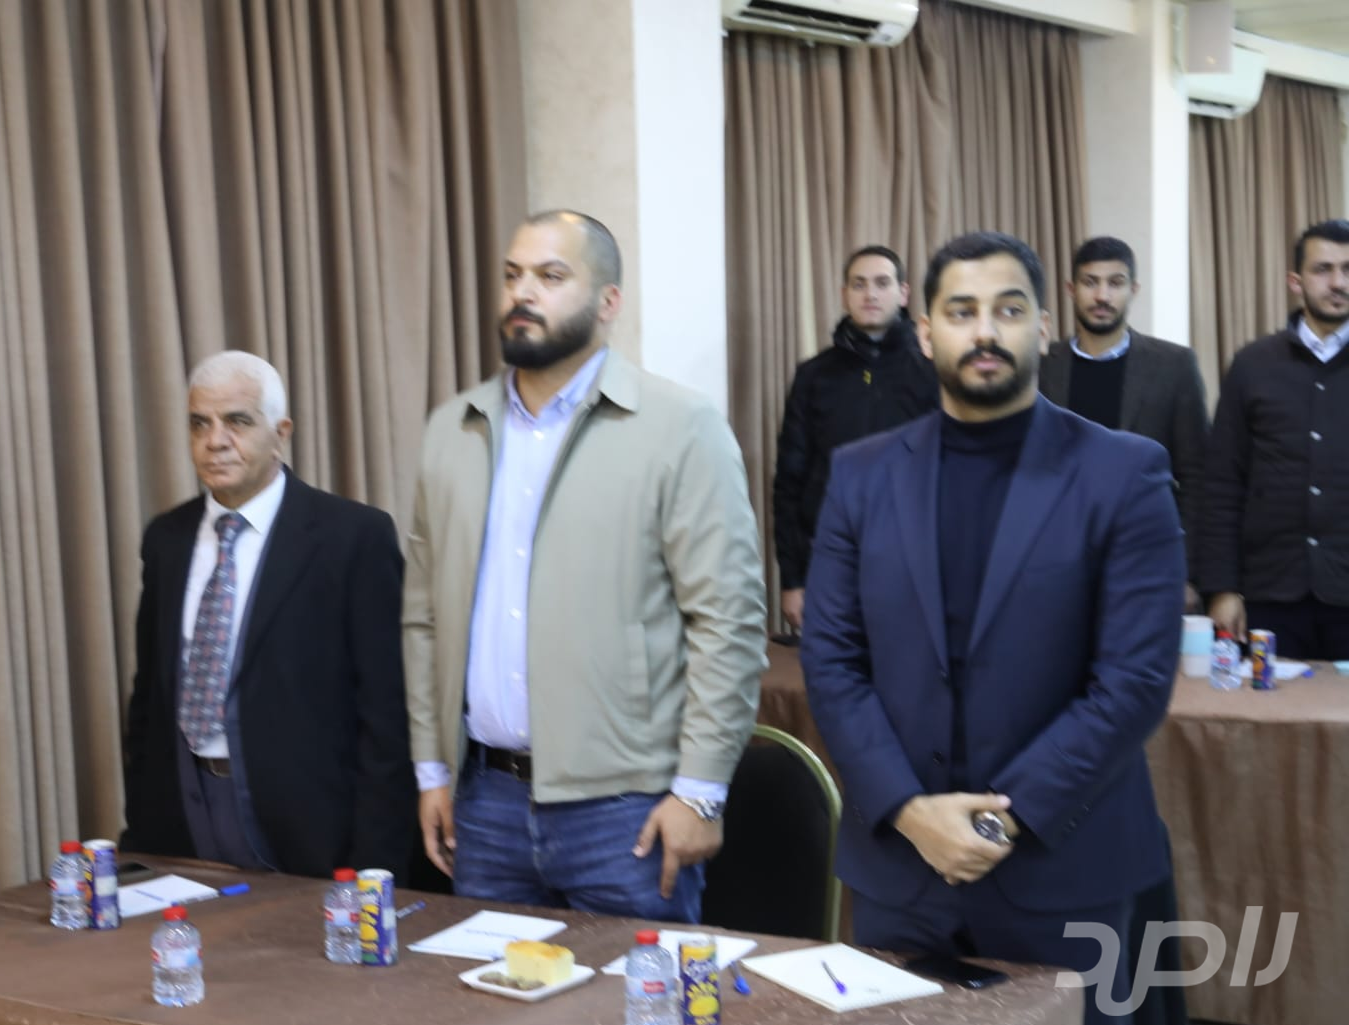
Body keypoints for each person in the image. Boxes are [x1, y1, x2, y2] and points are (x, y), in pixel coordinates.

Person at [802, 231, 1184, 1025]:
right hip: (901, 867)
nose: (986, 331)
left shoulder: (1124, 473)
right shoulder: (862, 476)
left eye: (1009, 311)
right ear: (926, 331)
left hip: (1064, 864)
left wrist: (991, 821)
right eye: (962, 311)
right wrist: (912, 812)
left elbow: (1135, 680)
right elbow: (831, 663)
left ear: (1043, 327)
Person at [403, 209, 766, 922]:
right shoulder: (453, 429)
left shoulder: (678, 426)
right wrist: (432, 770)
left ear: (608, 302)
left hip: (626, 810)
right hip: (485, 803)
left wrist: (700, 792)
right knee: (490, 997)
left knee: (633, 997)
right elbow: (423, 617)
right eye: (512, 275)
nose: (522, 293)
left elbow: (728, 621)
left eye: (550, 276)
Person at [121, 350, 415, 877]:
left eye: (237, 421)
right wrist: (142, 833)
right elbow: (149, 700)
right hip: (183, 822)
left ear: (281, 433)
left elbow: (387, 714)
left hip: (313, 836)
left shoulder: (352, 537)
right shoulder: (167, 539)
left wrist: (374, 860)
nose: (215, 441)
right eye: (199, 424)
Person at [1202, 218, 1349, 660]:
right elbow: (1222, 483)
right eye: (1323, 269)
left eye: (1347, 269)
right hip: (1269, 594)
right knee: (1269, 706)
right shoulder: (1252, 365)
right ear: (1295, 281)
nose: (1338, 282)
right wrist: (1222, 588)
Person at [772, 245, 938, 630]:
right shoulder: (814, 376)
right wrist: (792, 580)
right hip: (831, 563)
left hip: (915, 566)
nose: (870, 294)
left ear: (903, 293)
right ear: (844, 294)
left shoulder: (933, 372)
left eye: (882, 283)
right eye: (859, 284)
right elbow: (789, 483)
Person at [1039, 236, 1208, 611]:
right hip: (1056, 562)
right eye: (1090, 282)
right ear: (1071, 289)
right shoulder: (1041, 366)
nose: (1102, 296)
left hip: (1145, 559)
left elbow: (1198, 477)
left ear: (1133, 290)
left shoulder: (1174, 367)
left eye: (1115, 283)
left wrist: (1186, 571)